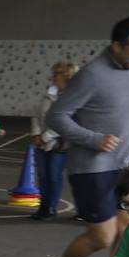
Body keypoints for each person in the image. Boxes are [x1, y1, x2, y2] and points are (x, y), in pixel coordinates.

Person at [44, 16, 129, 257]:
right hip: (92, 168)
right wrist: (93, 139)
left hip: (127, 163)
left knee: (127, 230)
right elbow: (55, 117)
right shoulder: (91, 75)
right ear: (116, 45)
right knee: (103, 237)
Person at [29, 61, 78, 220]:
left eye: (57, 73)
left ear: (66, 76)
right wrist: (36, 134)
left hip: (60, 145)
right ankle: (43, 207)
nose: (53, 76)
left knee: (53, 176)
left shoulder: (72, 97)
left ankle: (51, 207)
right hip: (41, 144)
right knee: (42, 176)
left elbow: (65, 121)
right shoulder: (48, 94)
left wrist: (45, 137)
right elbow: (36, 114)